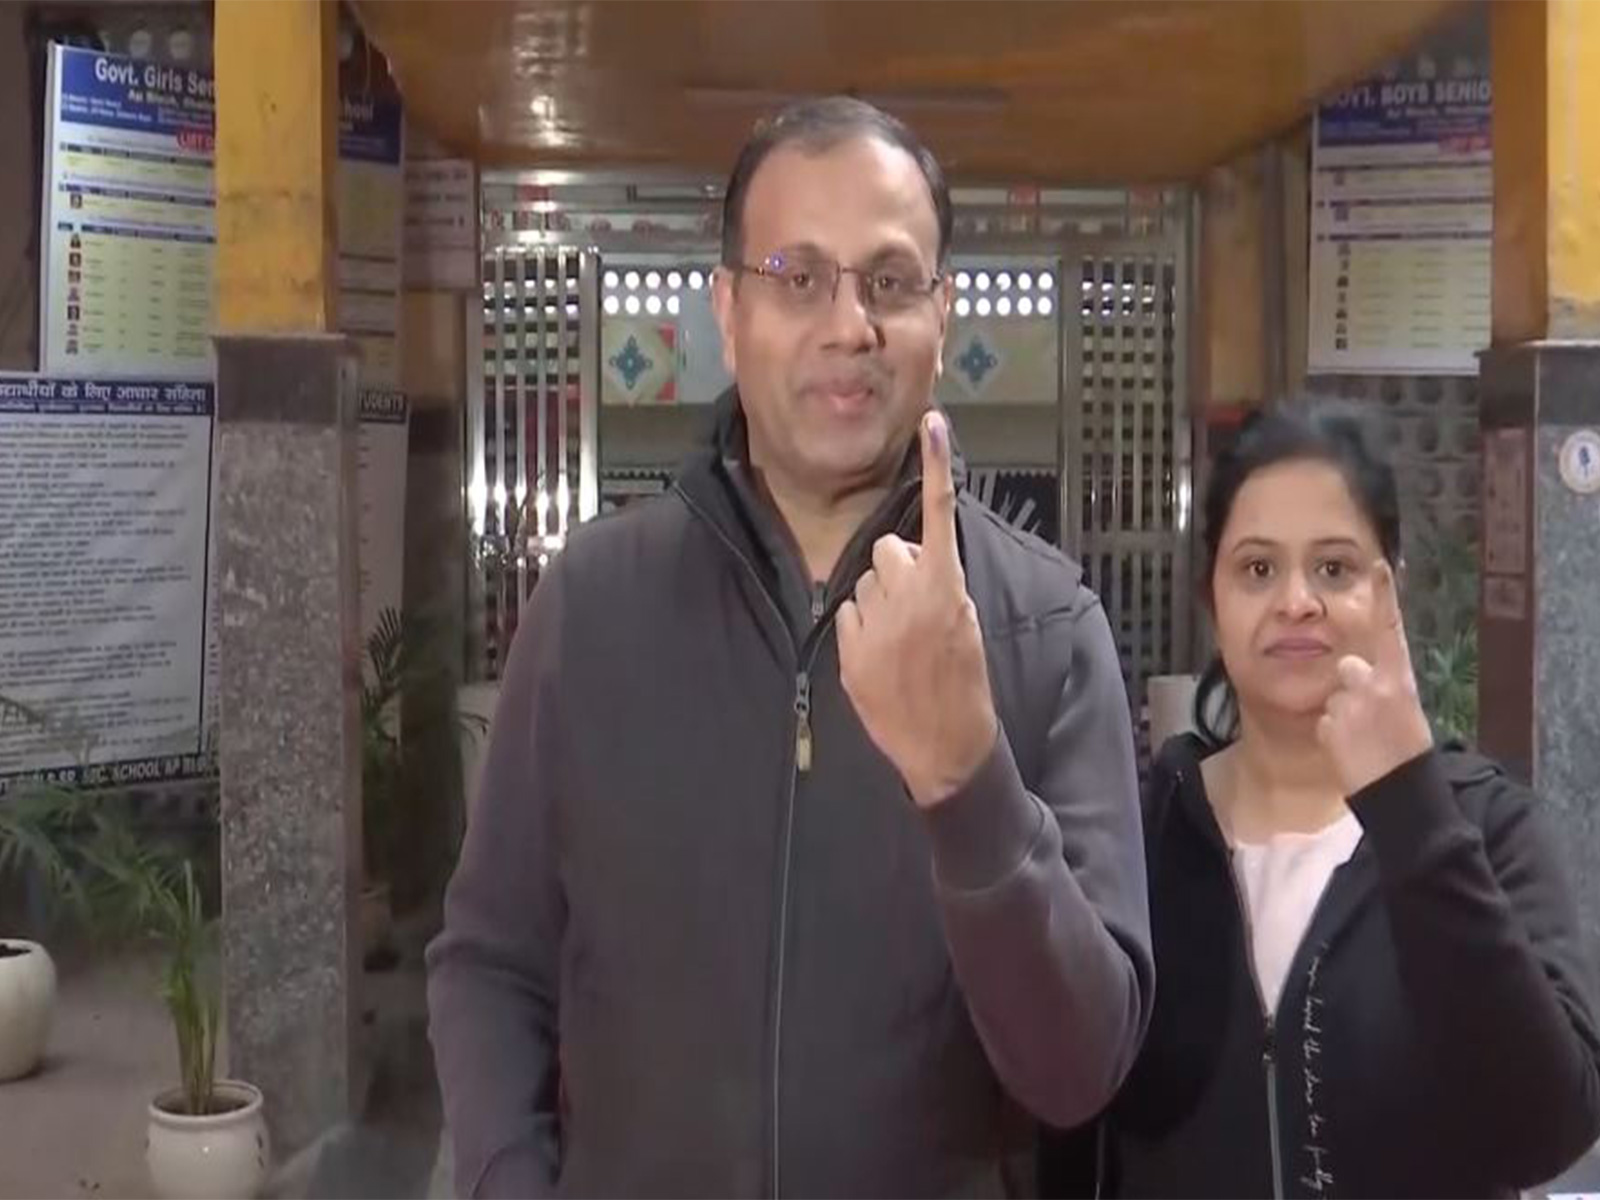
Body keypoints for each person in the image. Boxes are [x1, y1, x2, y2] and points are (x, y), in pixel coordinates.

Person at [425, 95, 1154, 1198]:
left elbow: (1078, 1070)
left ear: (941, 319)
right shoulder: (594, 604)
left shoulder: (1044, 628)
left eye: (890, 280)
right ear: (728, 312)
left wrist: (968, 783)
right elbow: (490, 960)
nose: (847, 324)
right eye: (797, 276)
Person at [1041, 402, 1600, 1198]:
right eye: (1258, 569)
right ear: (1214, 600)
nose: (1296, 601)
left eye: (1333, 569)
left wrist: (1409, 808)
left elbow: (1548, 1129)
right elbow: (1069, 1123)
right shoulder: (1142, 836)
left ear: (1389, 591)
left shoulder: (1487, 828)